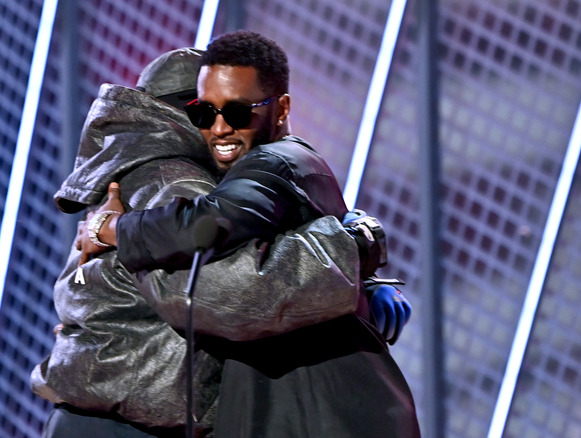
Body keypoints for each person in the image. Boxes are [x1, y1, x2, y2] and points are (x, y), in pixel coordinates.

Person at [31, 47, 406, 437]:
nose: (221, 127)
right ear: (184, 111)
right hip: (129, 427)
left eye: (237, 111)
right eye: (205, 113)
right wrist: (353, 248)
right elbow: (233, 293)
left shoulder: (161, 168)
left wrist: (362, 285)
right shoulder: (172, 181)